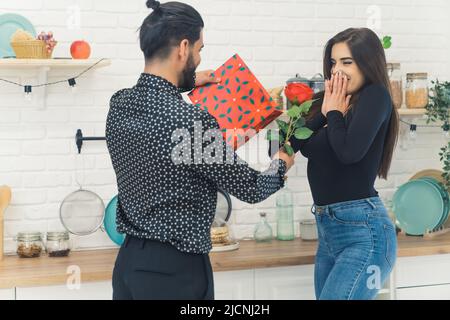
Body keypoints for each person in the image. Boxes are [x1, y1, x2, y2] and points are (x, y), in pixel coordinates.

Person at [106, 0, 295, 300]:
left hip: (129, 266)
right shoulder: (190, 121)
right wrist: (281, 163)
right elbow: (252, 187)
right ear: (183, 48)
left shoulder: (119, 105)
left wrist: (190, 80)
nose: (197, 57)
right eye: (199, 49)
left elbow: (156, 103)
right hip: (175, 271)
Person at [276, 28, 399, 300]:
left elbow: (349, 152)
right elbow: (283, 145)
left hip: (365, 233)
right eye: (333, 62)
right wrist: (322, 112)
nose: (338, 71)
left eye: (347, 62)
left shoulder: (375, 96)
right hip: (328, 232)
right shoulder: (327, 100)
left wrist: (332, 112)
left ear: (368, 63)